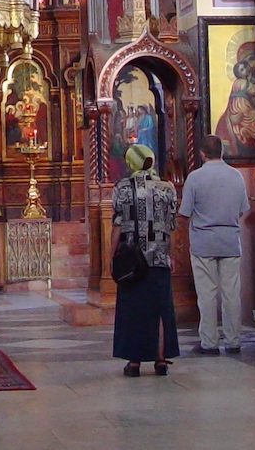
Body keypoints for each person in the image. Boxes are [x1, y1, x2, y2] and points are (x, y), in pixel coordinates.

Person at [179, 134, 251, 355]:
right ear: (222, 151)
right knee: (231, 293)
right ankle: (233, 341)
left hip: (203, 243)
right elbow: (241, 209)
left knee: (207, 294)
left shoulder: (195, 178)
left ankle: (209, 343)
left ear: (202, 153)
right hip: (229, 240)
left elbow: (185, 213)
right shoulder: (236, 176)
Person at [111, 144, 179, 377]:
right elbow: (171, 225)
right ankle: (161, 359)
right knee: (160, 308)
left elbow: (117, 224)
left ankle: (134, 362)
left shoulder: (123, 187)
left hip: (132, 259)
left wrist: (112, 257)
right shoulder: (167, 187)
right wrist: (171, 255)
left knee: (133, 309)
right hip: (160, 256)